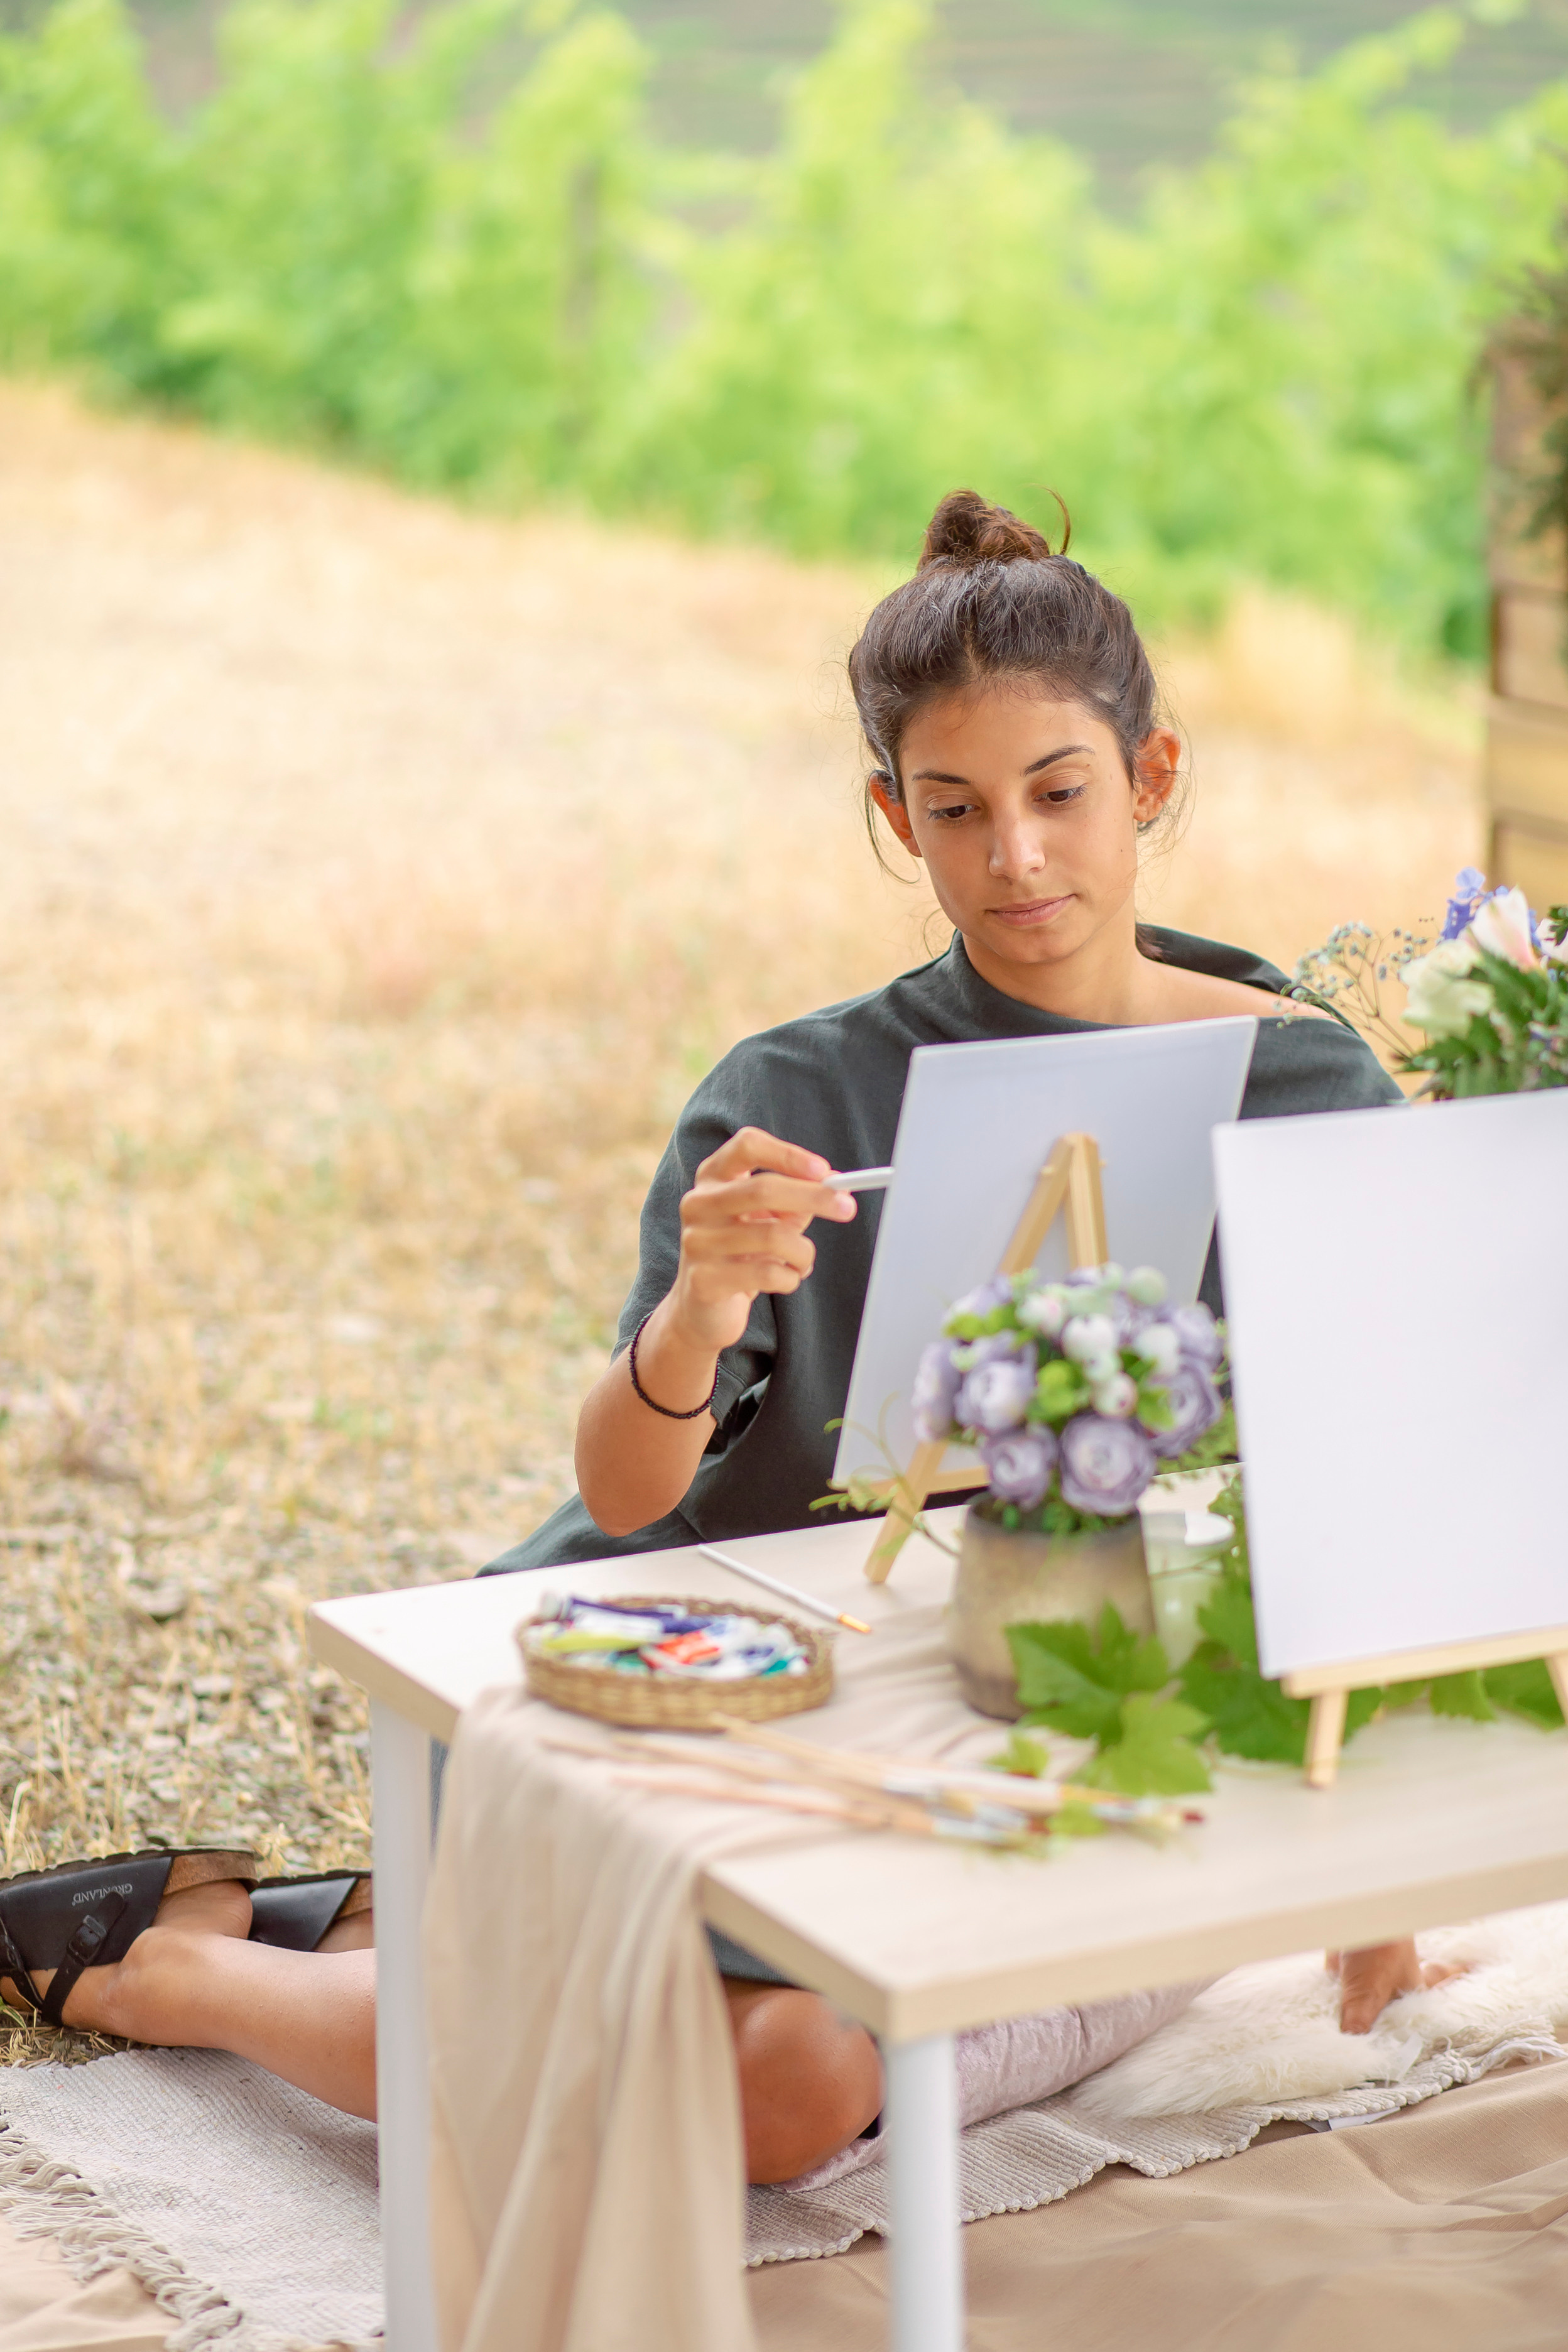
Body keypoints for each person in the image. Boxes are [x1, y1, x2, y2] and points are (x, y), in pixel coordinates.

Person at [0, 491, 1454, 2178]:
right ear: (891, 817)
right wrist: (699, 1305)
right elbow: (623, 1495)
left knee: (784, 2081)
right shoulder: (793, 1099)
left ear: (1154, 777)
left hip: (1008, 1684)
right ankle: (177, 1972)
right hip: (680, 1664)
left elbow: (1369, 1500)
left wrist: (1370, 1854)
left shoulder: (1308, 1084)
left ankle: (322, 1930)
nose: (1019, 857)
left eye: (1062, 794)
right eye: (956, 808)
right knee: (708, 2062)